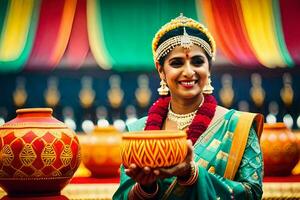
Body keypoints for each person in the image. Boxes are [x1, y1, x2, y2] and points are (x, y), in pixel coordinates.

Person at [113, 14, 264, 200]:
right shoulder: (137, 132)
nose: (189, 72)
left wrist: (191, 174)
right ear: (160, 69)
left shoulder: (238, 126)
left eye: (197, 62)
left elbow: (252, 194)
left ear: (209, 67)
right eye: (177, 63)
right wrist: (147, 187)